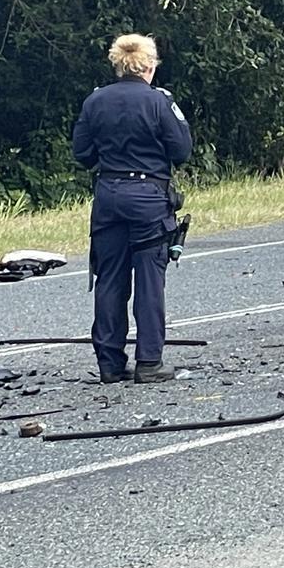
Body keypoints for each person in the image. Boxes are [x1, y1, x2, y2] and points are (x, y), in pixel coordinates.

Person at [72, 34, 193, 383]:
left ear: (117, 64)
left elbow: (82, 153)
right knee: (150, 280)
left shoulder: (95, 101)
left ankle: (109, 364)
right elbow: (181, 149)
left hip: (108, 193)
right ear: (150, 65)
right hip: (148, 197)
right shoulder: (159, 101)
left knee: (109, 277)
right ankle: (149, 361)